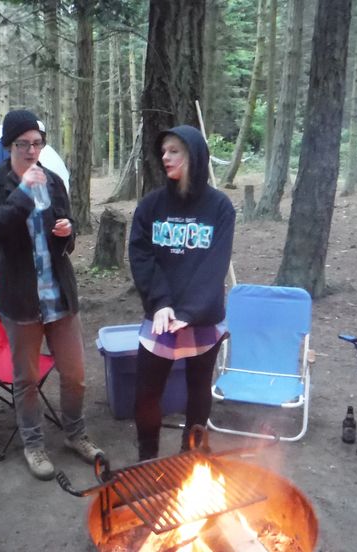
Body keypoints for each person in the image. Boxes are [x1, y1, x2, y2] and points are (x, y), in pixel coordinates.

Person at [0, 109, 102, 480]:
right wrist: (23, 192)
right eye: (23, 144)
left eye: (37, 143)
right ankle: (33, 443)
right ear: (8, 146)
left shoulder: (54, 181)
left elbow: (68, 237)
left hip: (59, 295)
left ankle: (75, 434)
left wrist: (67, 232)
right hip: (20, 300)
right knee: (27, 379)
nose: (32, 151)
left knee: (75, 373)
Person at [128, 125, 235, 460]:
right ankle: (147, 458)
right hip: (161, 315)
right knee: (147, 391)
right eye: (164, 151)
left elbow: (214, 265)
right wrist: (161, 303)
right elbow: (141, 255)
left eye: (174, 150)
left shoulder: (220, 208)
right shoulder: (151, 206)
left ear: (194, 156)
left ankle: (192, 457)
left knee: (198, 390)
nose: (165, 157)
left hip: (201, 315)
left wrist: (189, 311)